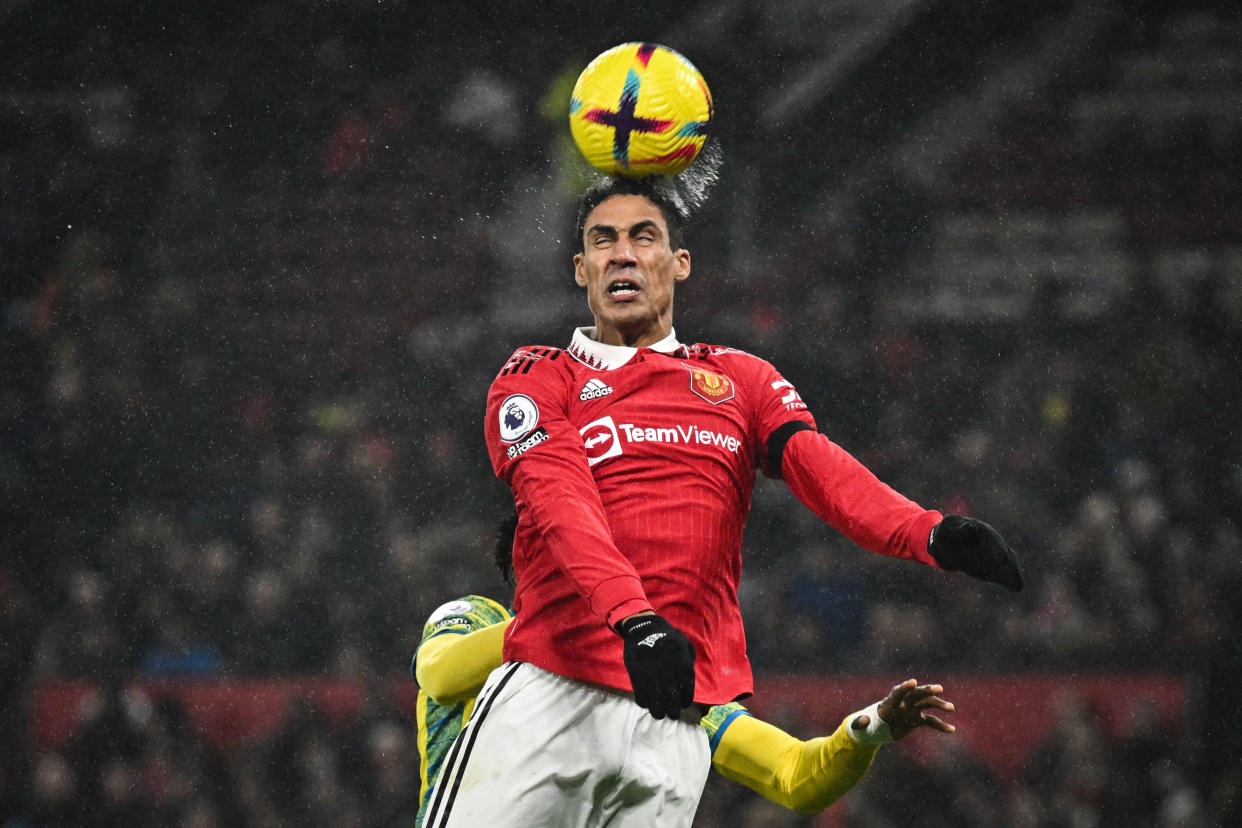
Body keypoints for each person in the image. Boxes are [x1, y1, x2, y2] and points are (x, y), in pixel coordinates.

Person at [428, 174, 1022, 827]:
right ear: (581, 270)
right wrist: (637, 621)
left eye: (643, 237)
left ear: (680, 263)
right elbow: (558, 498)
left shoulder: (742, 380)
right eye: (603, 241)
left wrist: (926, 533)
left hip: (679, 716)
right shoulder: (539, 374)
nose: (622, 254)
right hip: (553, 689)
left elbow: (817, 466)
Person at [412, 520, 957, 828]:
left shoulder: (662, 686)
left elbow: (795, 776)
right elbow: (436, 675)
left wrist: (870, 730)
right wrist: (559, 626)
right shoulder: (479, 620)